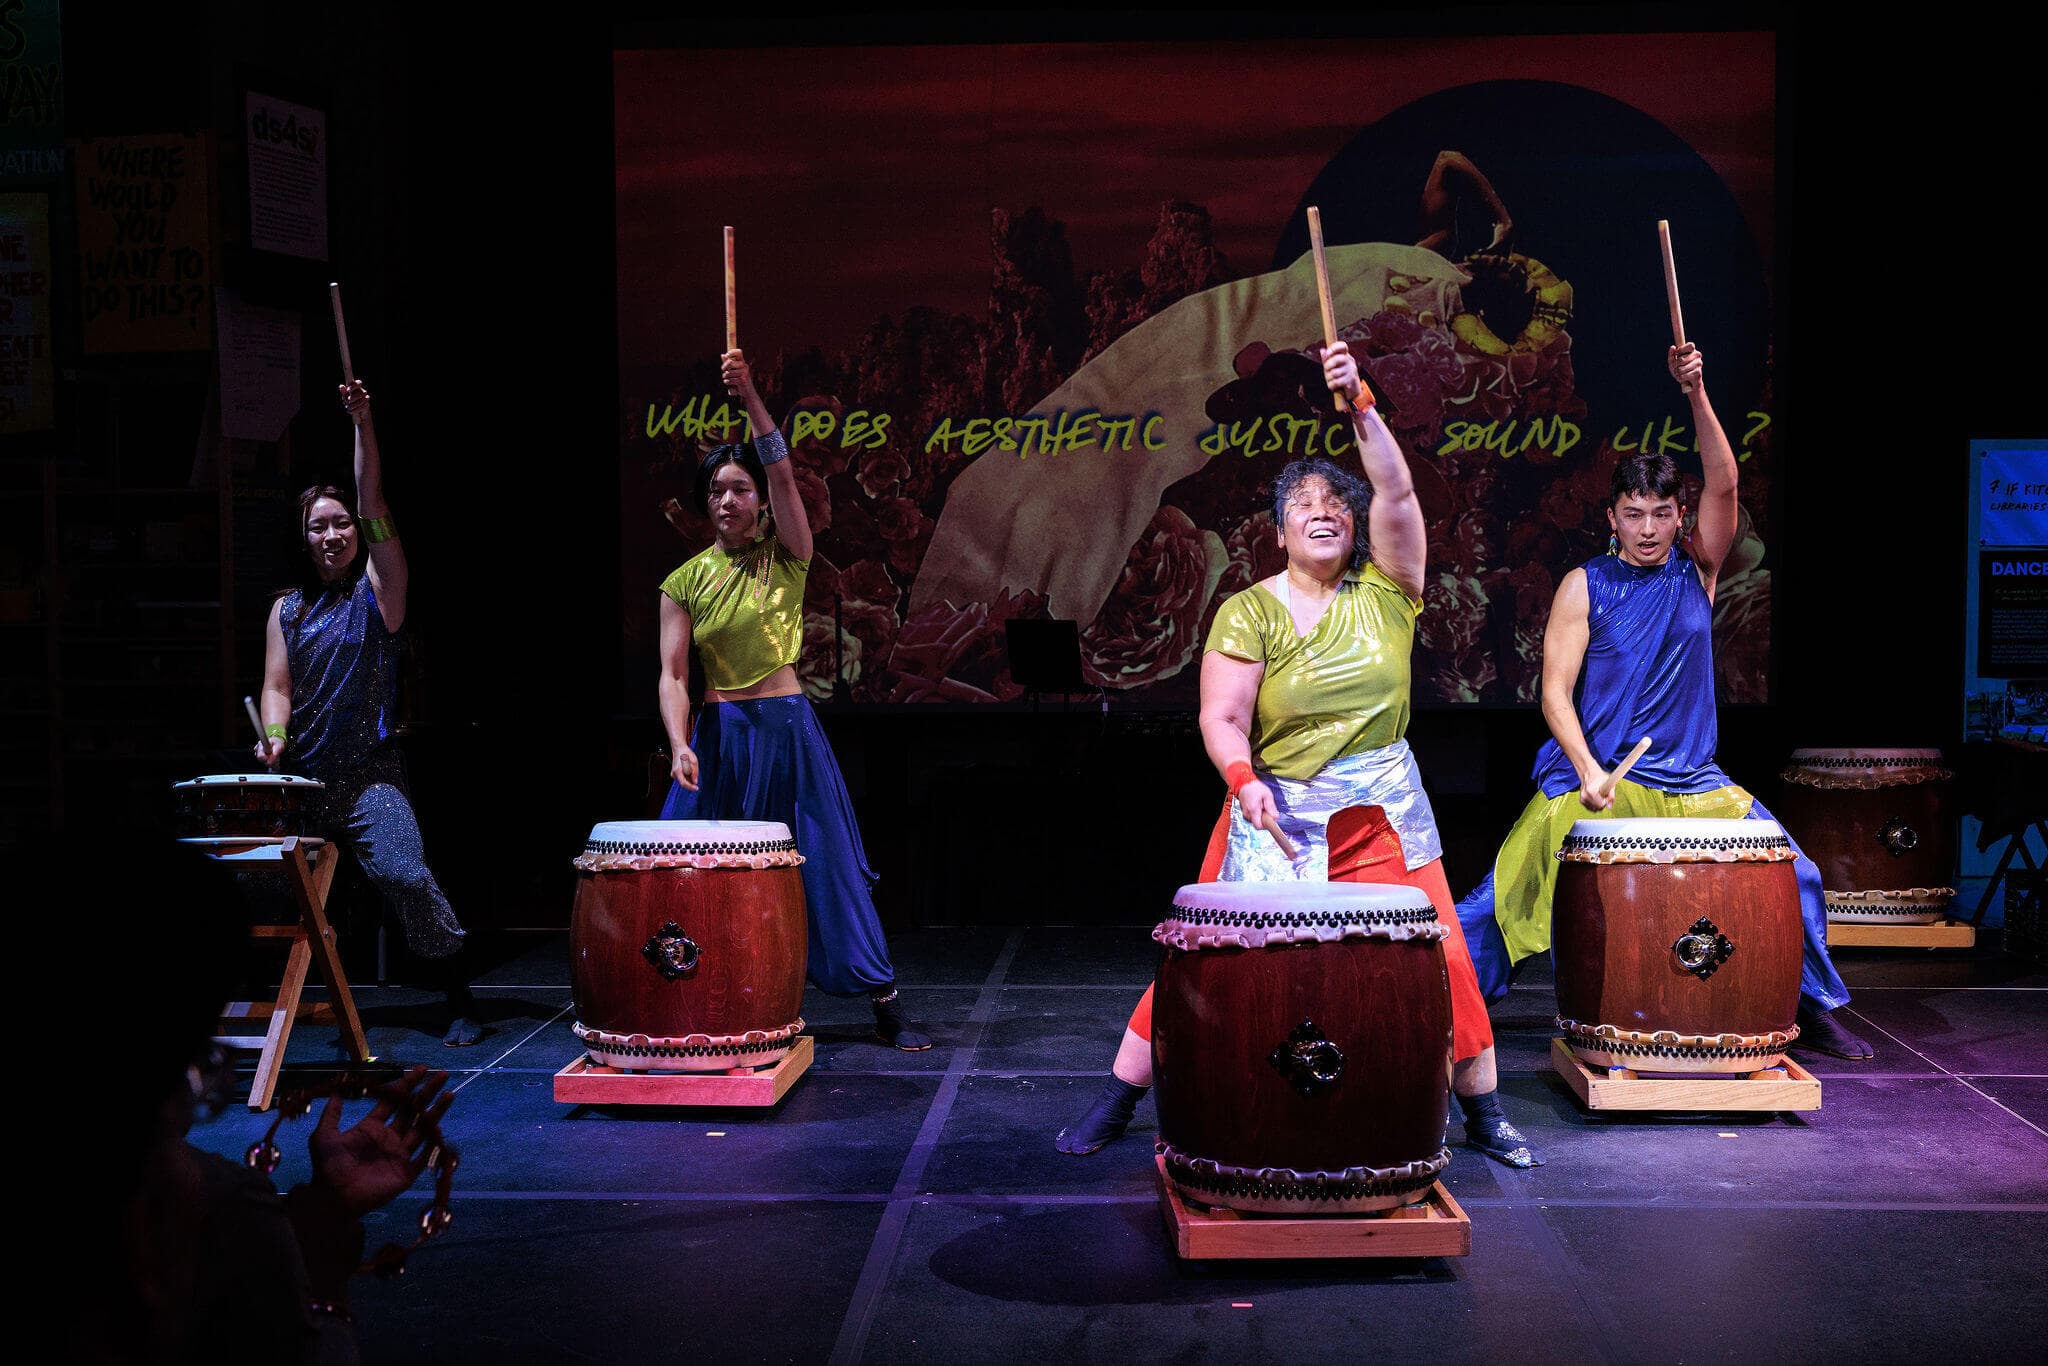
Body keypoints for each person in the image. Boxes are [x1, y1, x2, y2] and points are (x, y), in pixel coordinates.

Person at [1056, 340, 1541, 1167]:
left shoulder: (1391, 590)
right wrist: (1243, 782)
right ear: (1279, 530)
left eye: (1337, 506)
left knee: (1444, 961)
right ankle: (1120, 1097)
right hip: (1274, 810)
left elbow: (1396, 488)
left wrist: (1361, 403)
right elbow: (1222, 717)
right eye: (1304, 504)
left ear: (1356, 528)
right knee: (1207, 959)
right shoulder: (1248, 611)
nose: (1323, 512)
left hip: (1381, 811)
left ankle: (1484, 1113)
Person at [1453, 342, 1872, 1058]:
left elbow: (1725, 479)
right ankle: (1451, 1007)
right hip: (1600, 776)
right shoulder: (1584, 586)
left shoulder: (1698, 569)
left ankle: (1812, 1004)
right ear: (1611, 517)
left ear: (1681, 517)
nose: (1647, 529)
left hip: (1693, 781)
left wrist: (1696, 391)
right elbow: (1554, 694)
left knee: (1793, 872)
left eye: (1660, 513)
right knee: (1504, 892)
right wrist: (1587, 769)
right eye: (1633, 513)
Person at [657, 348, 930, 1049]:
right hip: (720, 737)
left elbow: (782, 470)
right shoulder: (684, 581)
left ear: (759, 499)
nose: (728, 501)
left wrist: (750, 394)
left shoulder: (789, 555)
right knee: (692, 869)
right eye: (717, 491)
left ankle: (884, 1001)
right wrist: (680, 742)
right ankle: (705, 994)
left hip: (786, 730)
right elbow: (673, 675)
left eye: (740, 489)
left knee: (825, 864)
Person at [256, 380, 481, 1047]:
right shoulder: (286, 610)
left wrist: (363, 422)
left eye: (342, 523)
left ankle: (459, 994)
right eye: (318, 526)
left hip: (368, 777)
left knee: (405, 875)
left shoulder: (381, 594)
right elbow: (275, 687)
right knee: (267, 889)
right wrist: (273, 736)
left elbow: (374, 497)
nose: (332, 534)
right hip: (303, 781)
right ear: (303, 538)